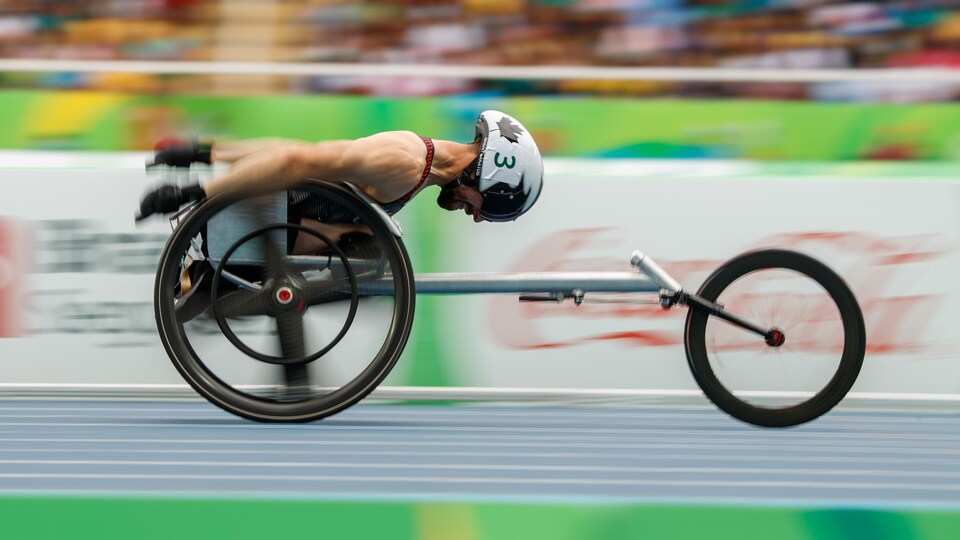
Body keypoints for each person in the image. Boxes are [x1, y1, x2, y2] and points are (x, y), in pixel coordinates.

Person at [136, 110, 544, 243]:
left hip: (284, 220)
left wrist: (203, 152)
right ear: (482, 177)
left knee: (376, 239)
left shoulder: (421, 166)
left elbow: (292, 150)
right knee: (373, 253)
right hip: (265, 224)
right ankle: (205, 287)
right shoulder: (402, 163)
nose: (474, 215)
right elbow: (294, 160)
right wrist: (196, 191)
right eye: (483, 207)